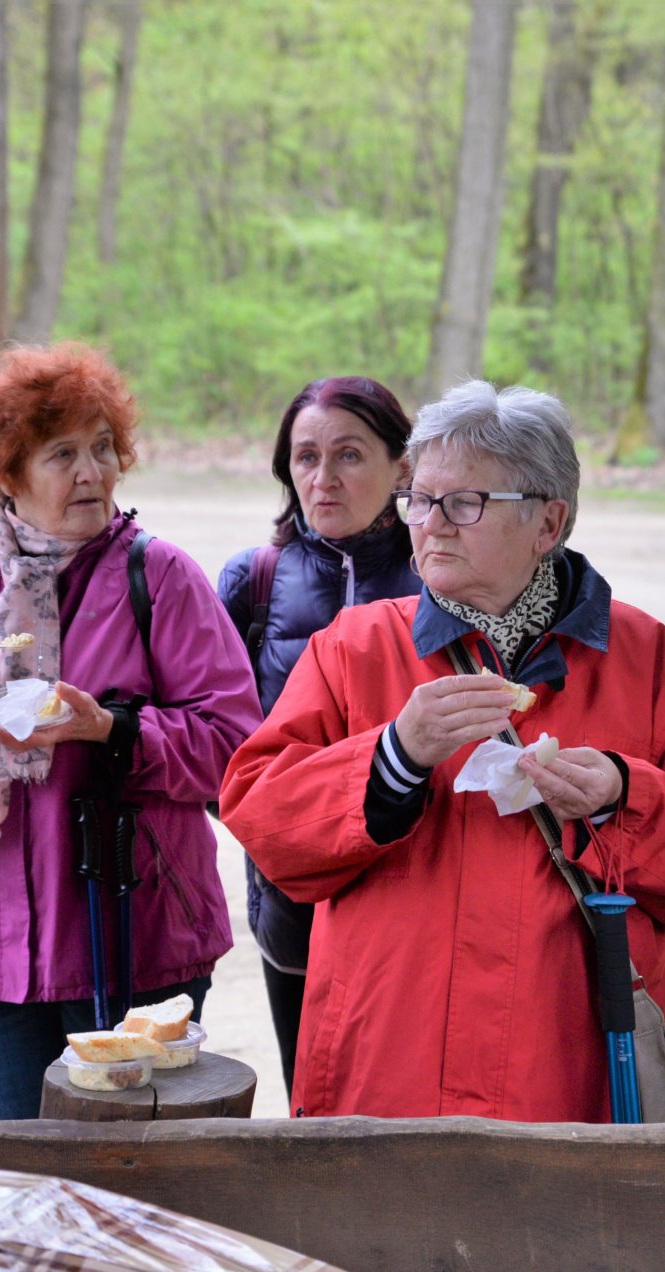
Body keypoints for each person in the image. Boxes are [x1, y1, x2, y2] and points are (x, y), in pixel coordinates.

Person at [219, 380, 665, 1122]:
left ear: (549, 522)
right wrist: (393, 759)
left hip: (572, 1074)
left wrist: (623, 792)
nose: (431, 525)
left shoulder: (641, 655)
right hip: (387, 1067)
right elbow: (259, 814)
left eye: (465, 503)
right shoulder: (354, 647)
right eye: (420, 499)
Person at [0, 342, 261, 1121]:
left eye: (103, 447)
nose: (92, 472)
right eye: (62, 454)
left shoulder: (159, 575)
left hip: (132, 932)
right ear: (9, 474)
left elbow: (236, 746)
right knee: (17, 1170)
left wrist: (110, 730)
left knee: (137, 1170)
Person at [216, 376, 421, 1095]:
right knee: (315, 1098)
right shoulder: (253, 582)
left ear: (403, 468)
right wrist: (280, 824)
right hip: (293, 901)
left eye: (349, 455)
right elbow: (220, 748)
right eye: (306, 457)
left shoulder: (445, 574)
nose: (323, 478)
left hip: (416, 894)